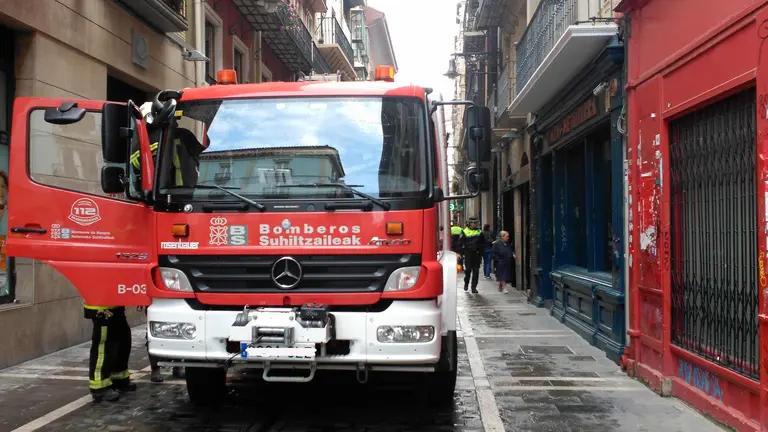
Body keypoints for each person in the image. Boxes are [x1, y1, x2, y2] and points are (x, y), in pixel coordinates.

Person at [132, 102, 200, 382]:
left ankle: (166, 362)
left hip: (187, 206)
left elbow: (203, 154)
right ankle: (164, 361)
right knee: (163, 298)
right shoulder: (153, 140)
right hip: (167, 207)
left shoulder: (169, 137)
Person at [84, 304, 136, 402]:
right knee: (103, 347)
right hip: (102, 308)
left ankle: (120, 379)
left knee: (122, 340)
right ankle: (99, 388)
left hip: (115, 304)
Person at [460, 217, 484, 293]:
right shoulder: (464, 231)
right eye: (475, 223)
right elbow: (460, 243)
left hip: (476, 253)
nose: (476, 224)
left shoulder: (479, 232)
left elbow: (483, 242)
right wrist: (462, 252)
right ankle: (466, 283)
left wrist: (481, 250)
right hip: (468, 253)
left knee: (476, 271)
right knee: (468, 270)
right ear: (470, 223)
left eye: (477, 223)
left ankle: (474, 287)